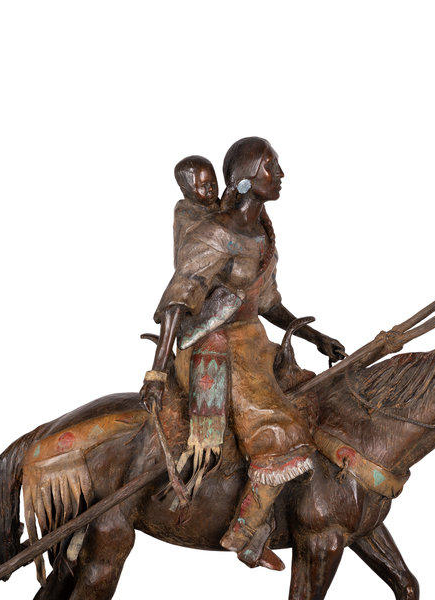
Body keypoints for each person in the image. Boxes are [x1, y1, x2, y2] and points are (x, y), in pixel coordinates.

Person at [141, 137, 345, 570]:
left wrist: (314, 337)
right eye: (271, 165)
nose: (281, 174)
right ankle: (244, 534)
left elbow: (266, 302)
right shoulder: (217, 233)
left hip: (253, 341)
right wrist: (156, 373)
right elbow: (177, 300)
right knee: (281, 435)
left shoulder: (262, 233)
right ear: (246, 181)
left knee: (313, 397)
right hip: (214, 345)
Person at [171, 155, 220, 261]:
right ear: (185, 190)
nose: (210, 189)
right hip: (194, 261)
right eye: (203, 186)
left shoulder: (217, 203)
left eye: (213, 183)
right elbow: (202, 229)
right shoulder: (183, 210)